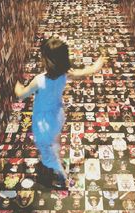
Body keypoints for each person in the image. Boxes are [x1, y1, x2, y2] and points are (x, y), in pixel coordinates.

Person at [15, 37, 106, 188]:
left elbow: (21, 94)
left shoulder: (39, 80)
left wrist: (16, 85)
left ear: (47, 61)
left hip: (43, 122)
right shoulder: (66, 73)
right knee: (54, 140)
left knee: (47, 153)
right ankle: (55, 153)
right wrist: (100, 60)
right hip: (57, 115)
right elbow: (89, 70)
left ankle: (61, 174)